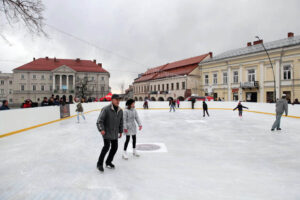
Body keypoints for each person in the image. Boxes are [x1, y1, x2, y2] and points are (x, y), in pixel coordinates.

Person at [96, 94, 123, 172]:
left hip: (114, 133)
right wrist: (101, 129)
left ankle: (108, 162)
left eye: (119, 100)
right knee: (106, 147)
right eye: (116, 99)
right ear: (112, 100)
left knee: (115, 148)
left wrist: (120, 131)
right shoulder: (106, 109)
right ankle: (99, 164)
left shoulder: (120, 110)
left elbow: (121, 122)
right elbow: (99, 121)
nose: (118, 101)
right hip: (106, 132)